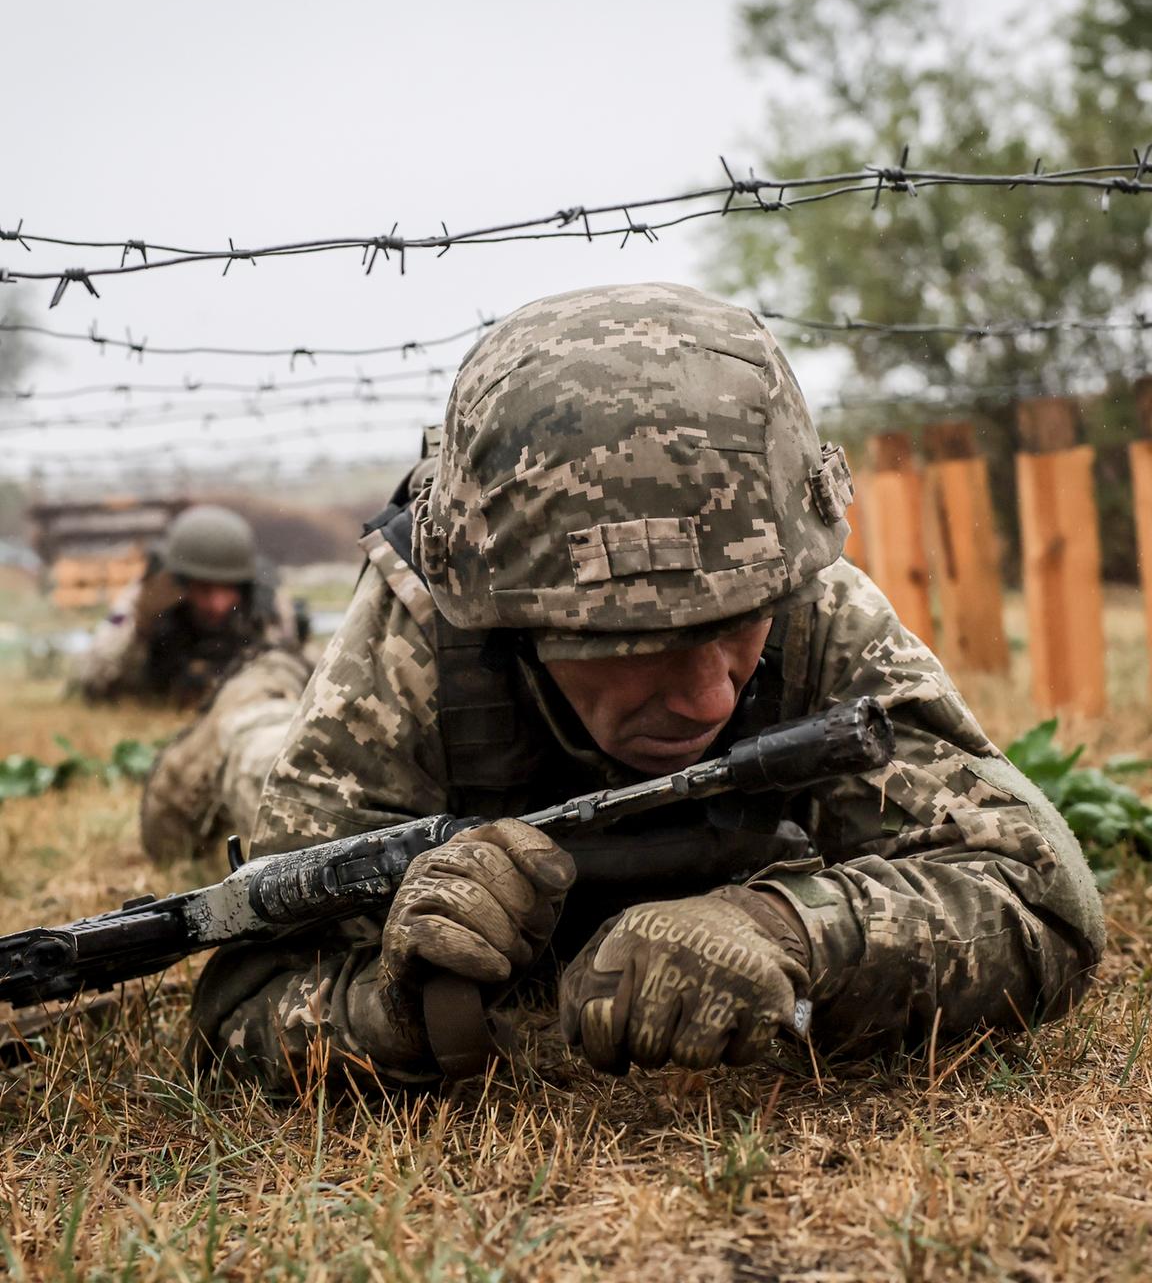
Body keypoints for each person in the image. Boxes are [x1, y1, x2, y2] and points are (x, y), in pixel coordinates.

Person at [186, 283, 1104, 1091]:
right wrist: (397, 1007)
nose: (710, 698)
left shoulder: (802, 591)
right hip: (307, 743)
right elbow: (244, 1001)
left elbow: (1039, 888)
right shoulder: (416, 643)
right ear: (504, 614)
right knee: (256, 741)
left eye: (739, 625)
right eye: (639, 642)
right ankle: (245, 704)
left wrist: (793, 932)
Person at [76, 504, 305, 708]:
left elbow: (289, 671)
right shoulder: (146, 598)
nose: (217, 605)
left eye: (227, 589)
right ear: (181, 584)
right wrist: (141, 625)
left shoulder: (266, 604)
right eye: (205, 589)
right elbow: (91, 679)